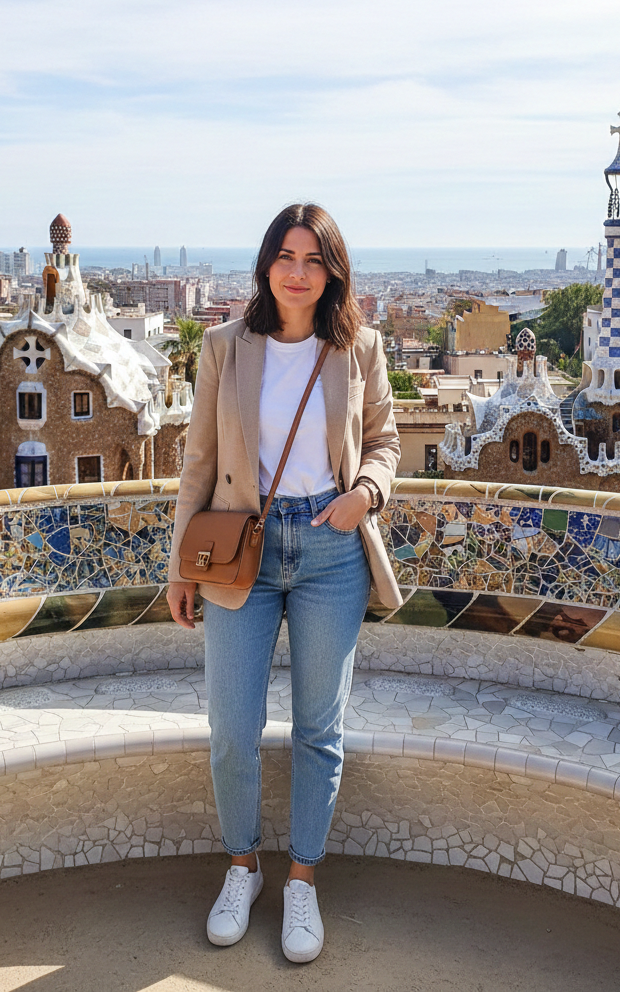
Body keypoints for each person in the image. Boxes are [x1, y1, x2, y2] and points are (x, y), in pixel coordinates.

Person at [167, 203, 402, 963]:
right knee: (232, 729)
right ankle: (244, 868)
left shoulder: (358, 348)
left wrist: (364, 493)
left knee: (316, 731)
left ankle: (301, 880)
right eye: (285, 256)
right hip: (243, 551)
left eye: (313, 259)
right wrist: (179, 565)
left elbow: (387, 442)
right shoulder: (224, 348)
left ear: (333, 270)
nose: (298, 272)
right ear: (266, 264)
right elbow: (198, 460)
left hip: (332, 549)